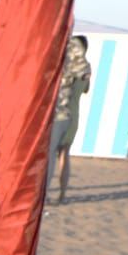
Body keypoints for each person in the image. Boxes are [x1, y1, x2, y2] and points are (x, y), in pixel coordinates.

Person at [47, 35, 91, 204]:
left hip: (62, 112)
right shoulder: (85, 69)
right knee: (64, 154)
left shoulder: (67, 65)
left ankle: (47, 191)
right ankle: (62, 193)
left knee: (50, 154)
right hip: (74, 114)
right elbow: (85, 89)